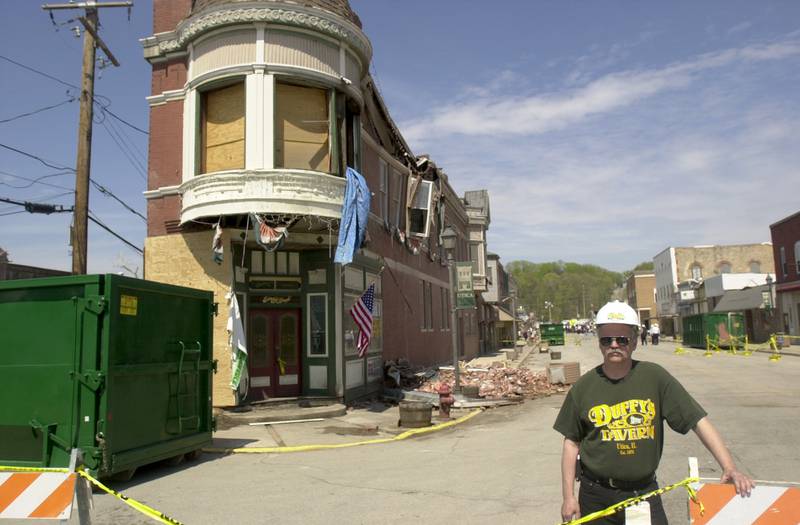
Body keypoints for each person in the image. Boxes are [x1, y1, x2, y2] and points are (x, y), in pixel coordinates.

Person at [554, 301, 753, 524]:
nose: (614, 345)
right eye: (606, 339)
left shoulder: (655, 378)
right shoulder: (584, 387)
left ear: (635, 341)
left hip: (643, 494)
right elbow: (571, 443)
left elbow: (698, 421)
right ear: (599, 343)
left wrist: (730, 467)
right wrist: (568, 497)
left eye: (622, 339)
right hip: (595, 495)